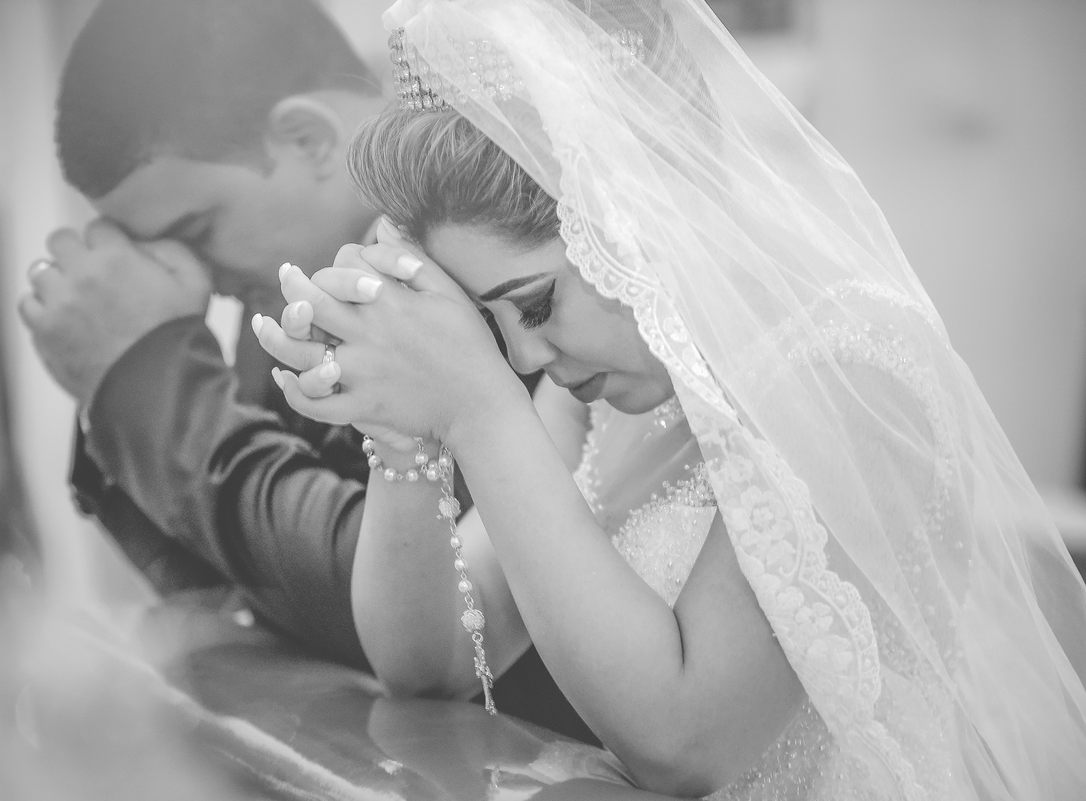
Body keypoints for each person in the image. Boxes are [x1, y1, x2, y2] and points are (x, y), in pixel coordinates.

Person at [253, 0, 1086, 797]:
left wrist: (477, 407)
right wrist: (403, 431)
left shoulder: (858, 375)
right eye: (487, 322)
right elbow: (426, 662)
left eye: (535, 305)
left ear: (632, 215)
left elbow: (688, 744)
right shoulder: (602, 396)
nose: (524, 357)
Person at [18, 0, 598, 744]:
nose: (199, 277)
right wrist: (122, 377)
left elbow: (392, 608)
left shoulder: (493, 255)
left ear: (307, 139)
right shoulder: (285, 293)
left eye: (196, 230)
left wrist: (145, 375)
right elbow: (240, 600)